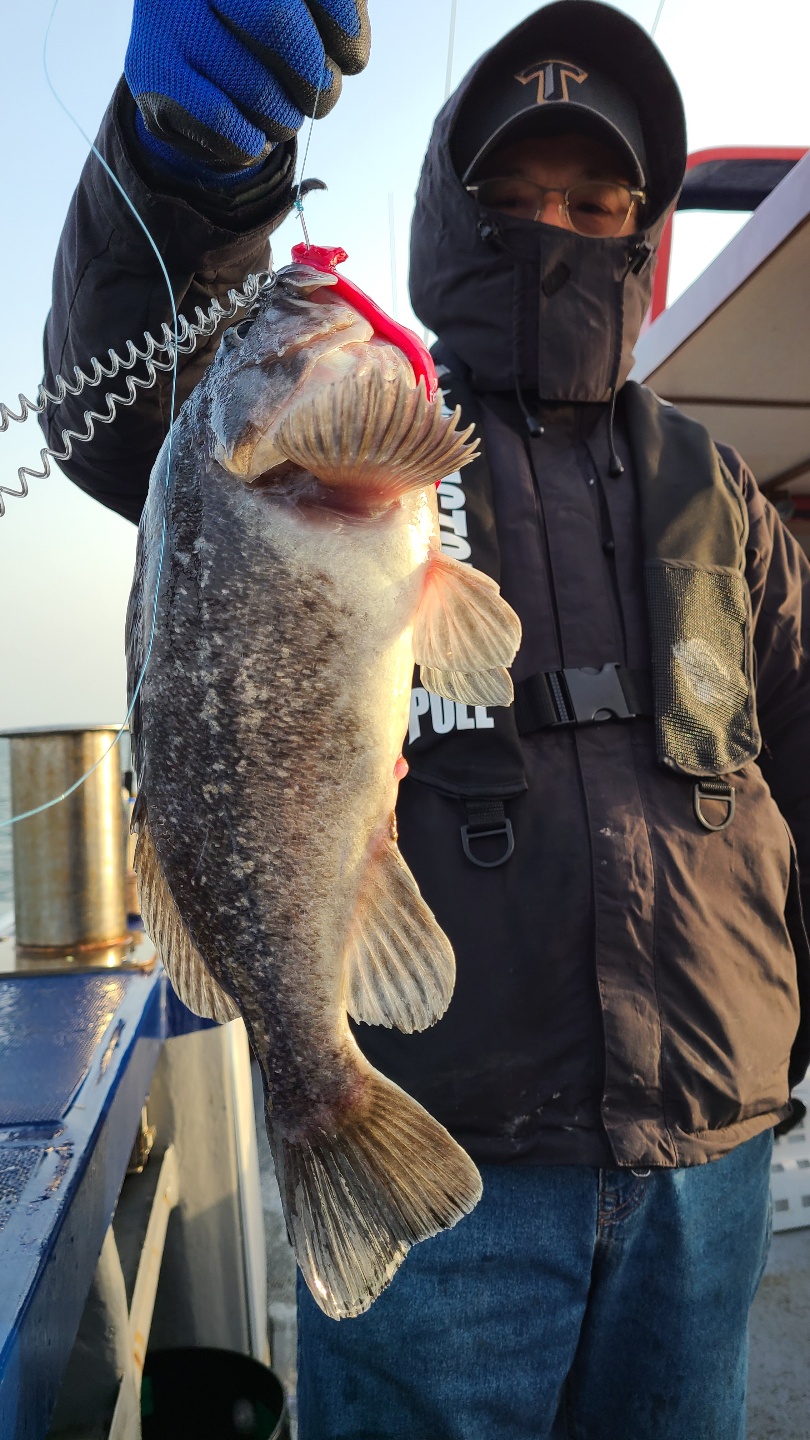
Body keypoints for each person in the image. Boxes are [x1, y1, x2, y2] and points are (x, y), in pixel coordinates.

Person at [41, 3, 810, 1437]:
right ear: (444, 221)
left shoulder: (719, 492)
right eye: (510, 199)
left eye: (594, 201)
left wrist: (781, 1038)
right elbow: (126, 394)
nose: (555, 227)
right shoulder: (353, 433)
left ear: (642, 236)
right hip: (449, 1142)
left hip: (709, 1151)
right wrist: (187, 170)